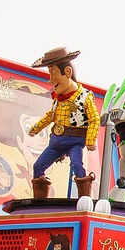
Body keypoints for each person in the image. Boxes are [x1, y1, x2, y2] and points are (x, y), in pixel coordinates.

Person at [27, 47, 100, 200]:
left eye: (53, 72)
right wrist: (36, 128)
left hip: (74, 141)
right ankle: (39, 200)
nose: (50, 79)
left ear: (67, 72)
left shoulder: (85, 97)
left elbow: (94, 119)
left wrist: (90, 140)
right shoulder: (58, 99)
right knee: (38, 166)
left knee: (77, 165)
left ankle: (84, 198)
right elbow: (50, 116)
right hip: (56, 142)